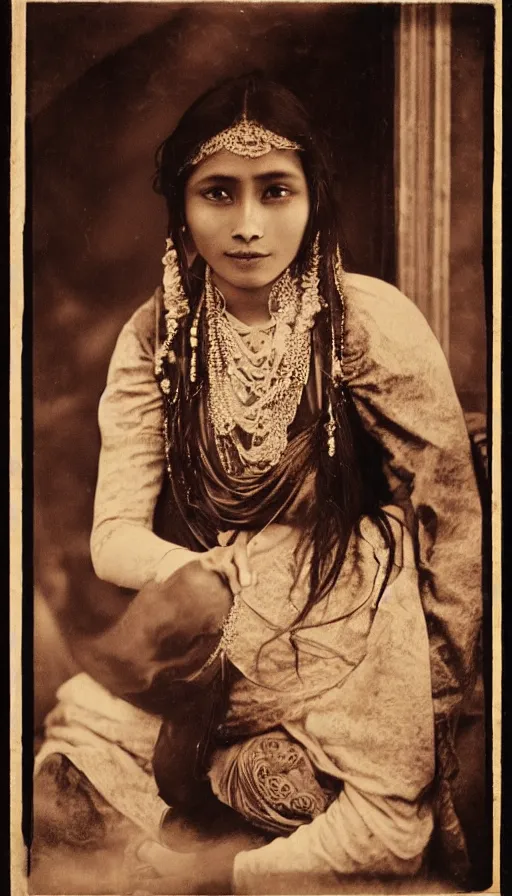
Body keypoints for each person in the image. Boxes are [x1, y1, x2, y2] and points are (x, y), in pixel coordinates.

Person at [33, 75, 482, 895]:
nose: (246, 226)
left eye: (276, 191)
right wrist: (197, 578)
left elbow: (449, 518)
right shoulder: (157, 337)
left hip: (355, 611)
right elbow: (111, 537)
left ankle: (223, 871)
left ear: (313, 195)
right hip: (221, 622)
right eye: (217, 193)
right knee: (69, 772)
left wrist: (441, 698)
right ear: (181, 204)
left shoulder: (365, 320)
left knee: (367, 817)